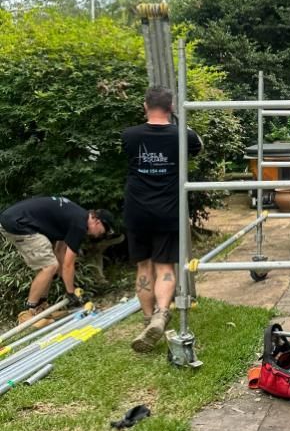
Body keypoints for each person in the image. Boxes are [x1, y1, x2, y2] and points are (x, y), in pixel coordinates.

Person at [122, 85, 202, 353]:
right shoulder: (183, 135)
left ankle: (147, 319)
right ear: (171, 107)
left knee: (144, 268)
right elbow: (197, 145)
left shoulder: (129, 136)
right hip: (168, 210)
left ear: (145, 105)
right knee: (165, 266)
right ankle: (160, 315)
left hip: (137, 210)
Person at [0, 197, 115, 318]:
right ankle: (28, 313)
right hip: (17, 223)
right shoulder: (80, 225)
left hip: (15, 219)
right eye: (103, 231)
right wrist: (71, 292)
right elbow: (68, 264)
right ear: (97, 221)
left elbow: (60, 251)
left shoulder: (76, 216)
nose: (99, 235)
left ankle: (40, 307)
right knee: (49, 266)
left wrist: (63, 280)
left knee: (50, 266)